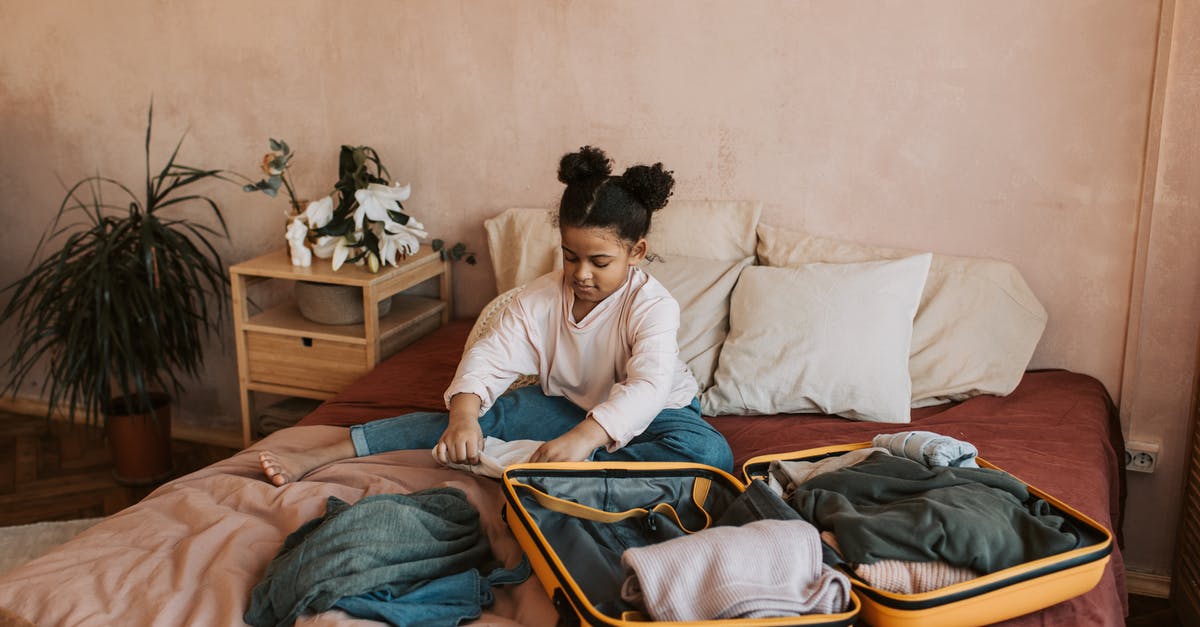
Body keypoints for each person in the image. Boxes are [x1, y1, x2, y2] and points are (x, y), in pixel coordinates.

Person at [259, 146, 734, 486]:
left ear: (637, 252)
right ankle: (334, 451)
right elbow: (488, 357)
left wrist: (584, 439)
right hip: (571, 408)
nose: (582, 274)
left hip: (660, 417)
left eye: (600, 262)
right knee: (482, 418)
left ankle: (571, 468)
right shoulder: (539, 299)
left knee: (713, 455)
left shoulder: (654, 306)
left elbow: (648, 387)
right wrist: (464, 416)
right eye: (571, 257)